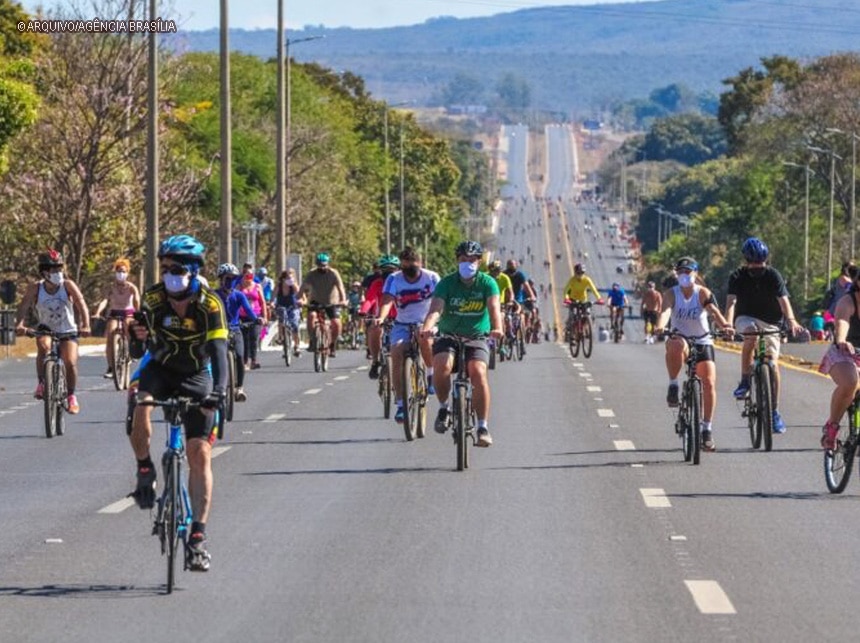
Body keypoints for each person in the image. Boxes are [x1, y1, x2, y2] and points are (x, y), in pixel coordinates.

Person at [128, 234, 228, 572]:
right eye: (164, 266)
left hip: (197, 375)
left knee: (200, 454)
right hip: (161, 369)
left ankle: (197, 538)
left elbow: (218, 352)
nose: (169, 273)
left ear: (193, 270)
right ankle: (145, 468)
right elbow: (137, 352)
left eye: (176, 267)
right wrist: (135, 335)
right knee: (141, 402)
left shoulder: (210, 304)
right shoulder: (153, 298)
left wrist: (220, 391)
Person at [421, 240, 502, 447]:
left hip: (477, 336)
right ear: (457, 261)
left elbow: (494, 308)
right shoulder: (446, 283)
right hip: (449, 335)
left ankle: (482, 426)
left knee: (478, 372)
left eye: (472, 260)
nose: (468, 263)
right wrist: (428, 327)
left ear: (479, 262)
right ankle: (443, 407)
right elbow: (436, 309)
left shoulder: (487, 283)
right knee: (443, 366)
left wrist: (497, 328)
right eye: (464, 260)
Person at [725, 237, 802, 434]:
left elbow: (784, 301)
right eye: (753, 263)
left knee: (773, 364)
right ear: (746, 261)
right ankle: (744, 381)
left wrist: (791, 320)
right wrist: (727, 323)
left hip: (771, 322)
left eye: (761, 263)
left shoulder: (773, 275)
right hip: (746, 318)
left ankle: (774, 411)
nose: (757, 267)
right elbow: (732, 303)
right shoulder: (737, 276)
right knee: (750, 334)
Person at [656, 257, 733, 452]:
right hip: (680, 338)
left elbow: (713, 311)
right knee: (675, 344)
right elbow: (665, 312)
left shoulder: (702, 293)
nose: (684, 276)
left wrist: (725, 326)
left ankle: (706, 429)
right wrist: (660, 327)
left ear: (695, 274)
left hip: (702, 340)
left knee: (708, 382)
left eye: (688, 272)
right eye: (681, 272)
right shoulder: (671, 294)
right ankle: (673, 384)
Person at [14, 249, 91, 413]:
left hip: (68, 330)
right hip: (46, 329)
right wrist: (20, 324)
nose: (58, 272)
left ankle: (71, 396)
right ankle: (42, 382)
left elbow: (81, 304)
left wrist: (86, 325)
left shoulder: (68, 286)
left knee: (70, 361)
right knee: (43, 346)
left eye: (59, 268)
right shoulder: (36, 288)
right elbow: (23, 306)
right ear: (44, 272)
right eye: (53, 269)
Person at [376, 247, 440, 424]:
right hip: (402, 324)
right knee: (396, 351)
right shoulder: (394, 279)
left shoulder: (432, 278)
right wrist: (381, 317)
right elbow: (387, 300)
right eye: (405, 266)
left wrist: (434, 321)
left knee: (425, 339)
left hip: (425, 322)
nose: (409, 270)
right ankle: (401, 404)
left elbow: (440, 300)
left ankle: (430, 373)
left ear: (420, 264)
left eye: (412, 265)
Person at [819, 269, 860, 449]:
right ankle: (832, 426)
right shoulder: (847, 301)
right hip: (844, 352)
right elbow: (842, 321)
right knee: (851, 382)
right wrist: (842, 340)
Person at [215, 263, 258, 402]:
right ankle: (214, 387)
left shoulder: (239, 295)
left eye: (233, 279)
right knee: (214, 357)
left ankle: (239, 388)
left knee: (240, 356)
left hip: (235, 329)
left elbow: (249, 311)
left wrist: (257, 319)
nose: (230, 282)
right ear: (221, 279)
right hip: (218, 331)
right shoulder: (214, 295)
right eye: (227, 279)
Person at [93, 257, 140, 378]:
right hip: (114, 312)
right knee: (110, 333)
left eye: (123, 271)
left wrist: (137, 312)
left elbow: (136, 300)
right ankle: (110, 366)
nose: (121, 274)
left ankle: (130, 351)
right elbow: (104, 300)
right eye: (118, 271)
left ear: (127, 273)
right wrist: (98, 312)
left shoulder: (131, 287)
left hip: (128, 312)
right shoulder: (111, 287)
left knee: (127, 326)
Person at [300, 252, 346, 358]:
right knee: (311, 316)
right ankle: (313, 340)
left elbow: (341, 288)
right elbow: (302, 288)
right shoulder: (311, 274)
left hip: (331, 302)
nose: (322, 268)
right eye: (320, 265)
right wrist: (298, 300)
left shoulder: (334, 273)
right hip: (316, 301)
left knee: (336, 323)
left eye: (324, 265)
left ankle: (332, 344)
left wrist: (343, 300)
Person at [362, 255, 401, 378]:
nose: (388, 273)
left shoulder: (403, 282)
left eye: (392, 270)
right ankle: (375, 361)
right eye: (385, 270)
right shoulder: (377, 284)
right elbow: (370, 299)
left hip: (401, 318)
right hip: (381, 317)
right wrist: (363, 311)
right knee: (374, 329)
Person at [237, 265, 268, 370]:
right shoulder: (239, 286)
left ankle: (254, 360)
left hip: (256, 315)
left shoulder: (257, 286)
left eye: (250, 275)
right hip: (243, 316)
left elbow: (262, 302)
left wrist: (265, 317)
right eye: (246, 275)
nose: (248, 277)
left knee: (254, 337)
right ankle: (245, 361)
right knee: (244, 338)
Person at [562, 263, 603, 338]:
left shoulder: (587, 279)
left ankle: (584, 329)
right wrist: (566, 298)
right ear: (575, 273)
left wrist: (599, 298)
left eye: (582, 273)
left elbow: (594, 289)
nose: (580, 275)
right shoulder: (572, 280)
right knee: (573, 315)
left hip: (583, 299)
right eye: (578, 273)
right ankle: (572, 333)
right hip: (573, 299)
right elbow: (566, 290)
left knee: (587, 314)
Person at [274, 268, 303, 357]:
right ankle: (281, 338)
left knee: (294, 325)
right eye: (287, 277)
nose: (288, 279)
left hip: (292, 306)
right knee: (281, 319)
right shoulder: (279, 286)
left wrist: (300, 301)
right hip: (281, 305)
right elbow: (273, 296)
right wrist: (271, 303)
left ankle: (297, 346)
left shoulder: (294, 285)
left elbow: (299, 294)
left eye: (290, 277)